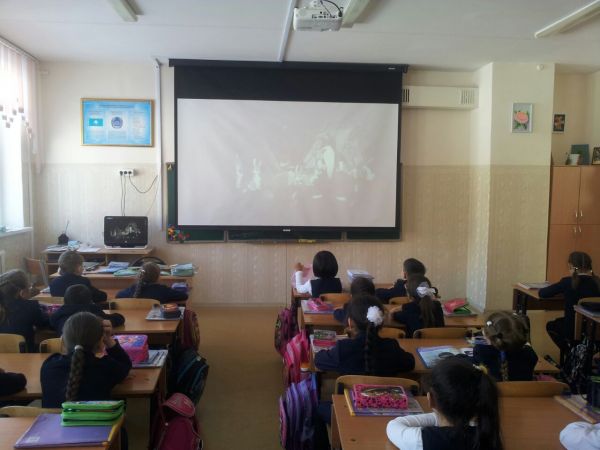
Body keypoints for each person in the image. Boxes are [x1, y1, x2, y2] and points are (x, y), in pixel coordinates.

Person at [387, 357, 503, 450]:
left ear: (431, 400)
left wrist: (439, 416)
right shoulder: (488, 433)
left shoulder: (426, 439)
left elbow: (393, 426)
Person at [41, 311, 131, 408]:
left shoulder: (49, 366)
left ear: (62, 341)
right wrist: (108, 339)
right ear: (101, 343)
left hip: (53, 418)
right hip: (96, 418)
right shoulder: (107, 367)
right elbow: (125, 365)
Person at [315, 294, 415, 375]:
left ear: (350, 322)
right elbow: (410, 364)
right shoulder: (392, 347)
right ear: (381, 322)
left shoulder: (343, 348)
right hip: (385, 395)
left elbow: (318, 360)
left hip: (350, 395)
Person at [540, 251, 600, 353]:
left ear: (571, 266)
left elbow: (543, 293)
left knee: (551, 325)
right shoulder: (598, 282)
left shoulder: (567, 282)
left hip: (572, 330)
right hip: (595, 330)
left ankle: (571, 353)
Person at [471, 311, 538, 381]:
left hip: (491, 388)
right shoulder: (529, 353)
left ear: (487, 336)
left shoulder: (481, 351)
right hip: (524, 388)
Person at [0, 269, 50, 351]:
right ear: (21, 292)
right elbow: (43, 324)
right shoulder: (30, 306)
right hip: (26, 353)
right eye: (29, 287)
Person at [50, 284, 125, 334]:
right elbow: (119, 318)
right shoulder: (94, 313)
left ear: (65, 300)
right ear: (90, 300)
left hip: (66, 350)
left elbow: (50, 321)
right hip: (94, 349)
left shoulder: (58, 316)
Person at [115, 262, 188, 303]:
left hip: (135, 323)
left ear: (140, 275)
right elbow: (184, 296)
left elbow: (118, 296)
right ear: (158, 277)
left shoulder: (132, 289)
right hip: (158, 324)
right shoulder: (162, 290)